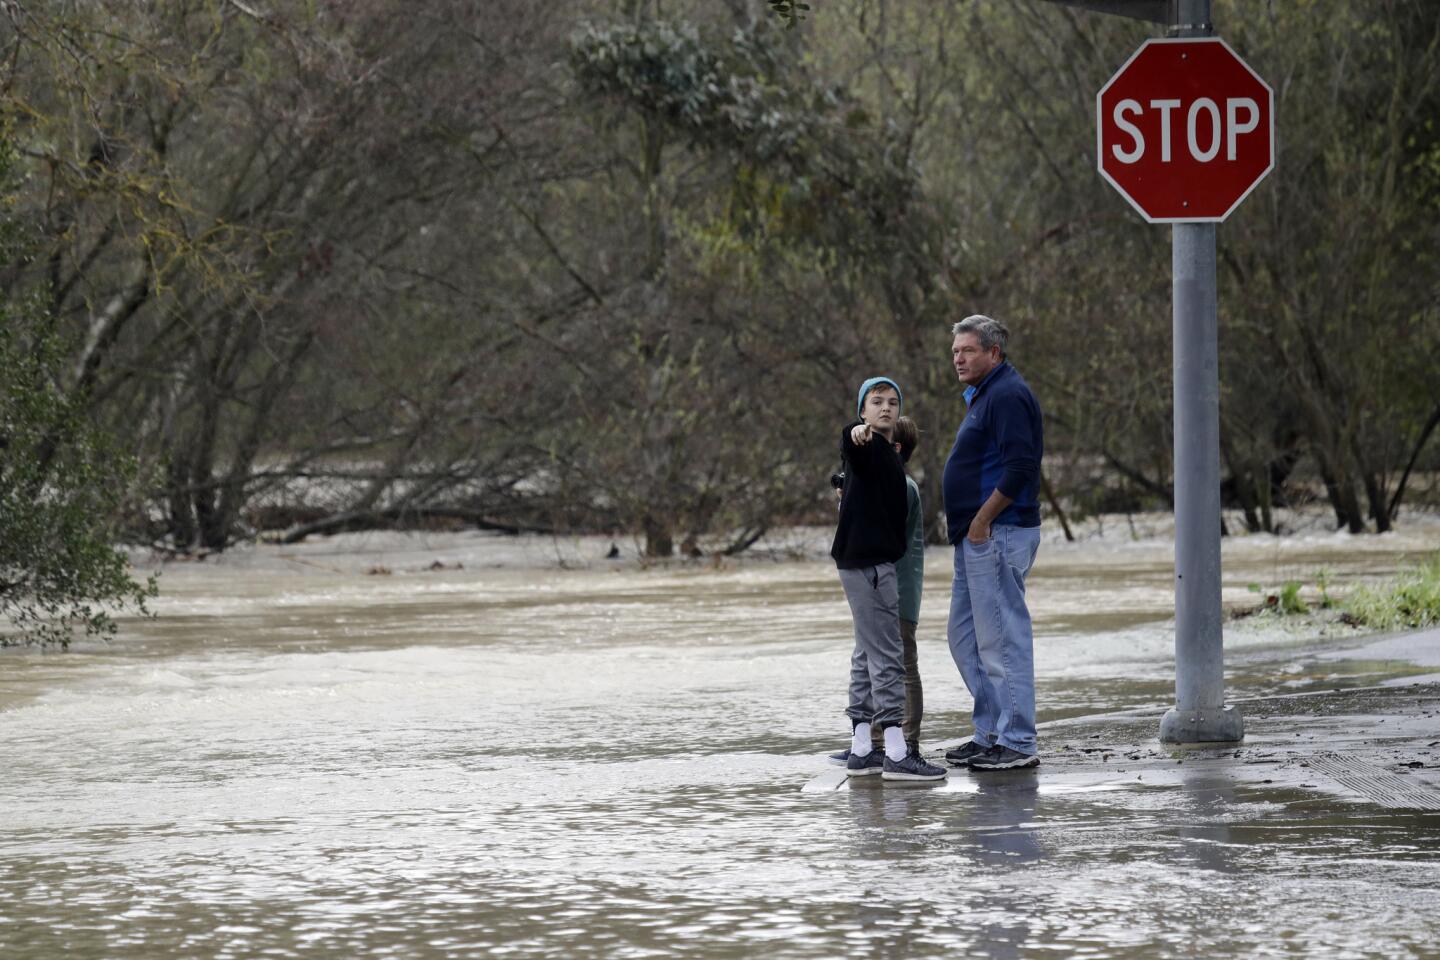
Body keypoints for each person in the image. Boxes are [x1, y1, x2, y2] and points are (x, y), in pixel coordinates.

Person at [941, 315, 1044, 771]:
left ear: (994, 353)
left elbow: (1021, 467)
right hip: (976, 537)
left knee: (1002, 641)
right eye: (955, 352)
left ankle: (1018, 741)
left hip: (998, 533)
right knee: (964, 638)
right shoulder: (986, 395)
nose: (959, 358)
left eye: (968, 351)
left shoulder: (1006, 394)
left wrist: (982, 521)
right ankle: (989, 732)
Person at [830, 378, 946, 782]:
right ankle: (896, 752)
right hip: (870, 566)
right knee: (888, 657)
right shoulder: (864, 445)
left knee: (866, 656)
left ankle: (863, 748)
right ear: (863, 410)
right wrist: (854, 432)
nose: (885, 408)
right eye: (876, 402)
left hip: (864, 563)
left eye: (893, 402)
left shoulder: (889, 461)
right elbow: (851, 442)